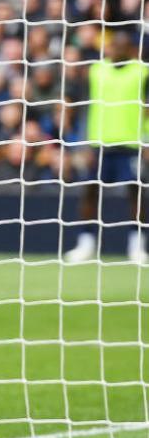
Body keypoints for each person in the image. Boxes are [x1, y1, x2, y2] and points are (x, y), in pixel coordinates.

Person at [64, 31, 149, 264]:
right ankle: (86, 242)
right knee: (90, 191)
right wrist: (82, 143)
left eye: (123, 46)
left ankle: (137, 244)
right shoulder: (95, 71)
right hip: (98, 144)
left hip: (131, 144)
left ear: (131, 49)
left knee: (136, 194)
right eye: (114, 46)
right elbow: (84, 107)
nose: (117, 50)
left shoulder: (142, 72)